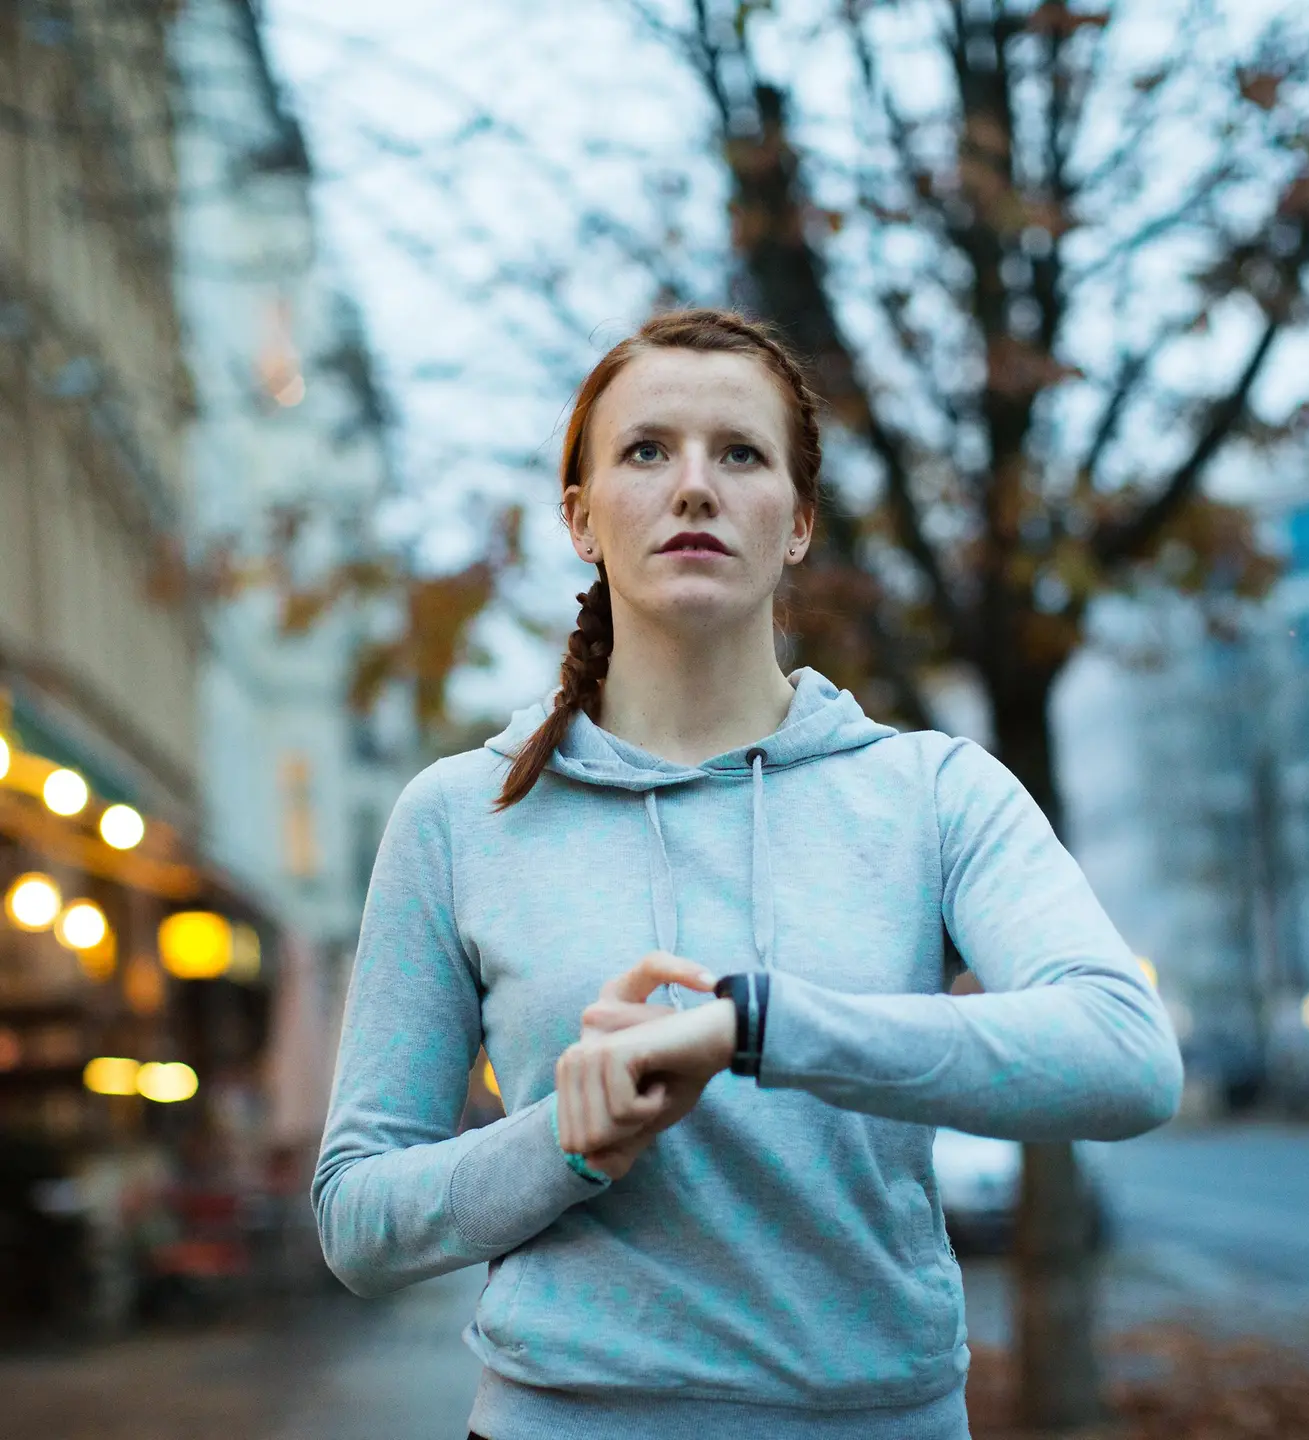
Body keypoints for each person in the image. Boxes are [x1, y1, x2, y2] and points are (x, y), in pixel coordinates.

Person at [312, 309, 1184, 1440]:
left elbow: (1125, 1056)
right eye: (645, 451)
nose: (693, 487)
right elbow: (356, 1220)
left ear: (799, 521)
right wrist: (567, 1146)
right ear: (580, 519)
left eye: (739, 453)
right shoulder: (460, 817)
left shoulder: (931, 792)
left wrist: (760, 1030)